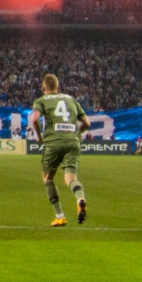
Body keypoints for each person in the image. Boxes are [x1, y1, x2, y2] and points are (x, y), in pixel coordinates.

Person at [32, 74, 88, 226]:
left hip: (53, 142)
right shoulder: (71, 99)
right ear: (58, 87)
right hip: (73, 142)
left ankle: (60, 216)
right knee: (71, 179)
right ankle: (80, 199)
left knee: (48, 177)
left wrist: (39, 136)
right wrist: (75, 134)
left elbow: (34, 119)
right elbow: (86, 123)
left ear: (43, 88)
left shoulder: (41, 100)